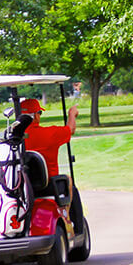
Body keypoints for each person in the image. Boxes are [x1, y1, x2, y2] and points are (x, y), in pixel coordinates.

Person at [18, 97, 84, 226]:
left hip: (22, 187)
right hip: (48, 186)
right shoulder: (49, 134)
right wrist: (71, 114)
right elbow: (70, 130)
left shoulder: (14, 138)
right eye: (39, 113)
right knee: (68, 180)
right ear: (35, 116)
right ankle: (66, 215)